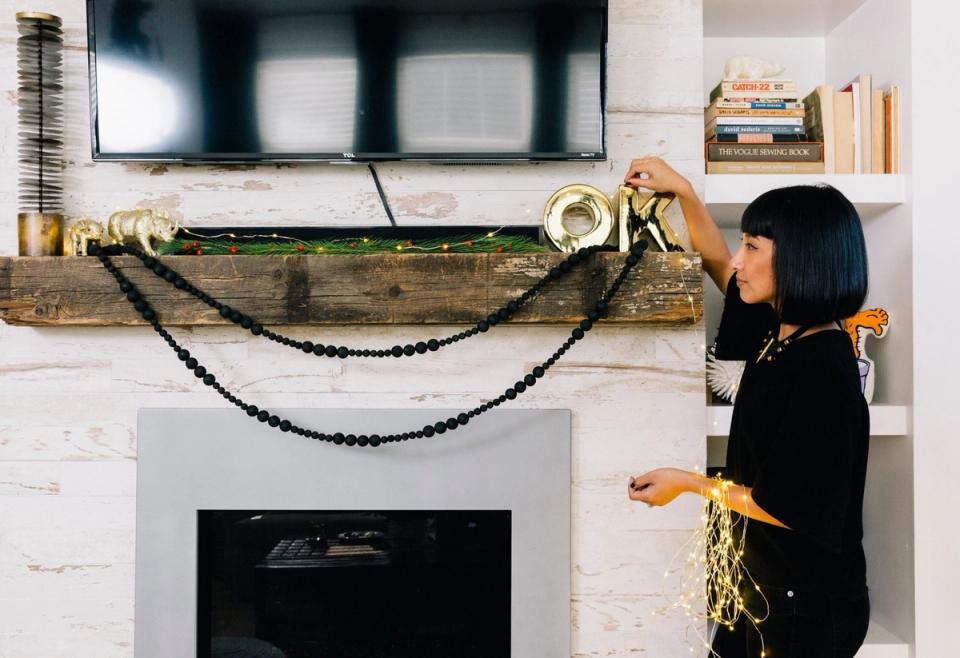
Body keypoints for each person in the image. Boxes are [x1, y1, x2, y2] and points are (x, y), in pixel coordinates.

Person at [622, 157, 871, 658]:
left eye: (752, 247)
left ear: (802, 259)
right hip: (764, 594)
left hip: (801, 611)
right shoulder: (778, 336)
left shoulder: (822, 368)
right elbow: (720, 267)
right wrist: (686, 194)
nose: (738, 260)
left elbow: (789, 507)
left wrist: (689, 483)